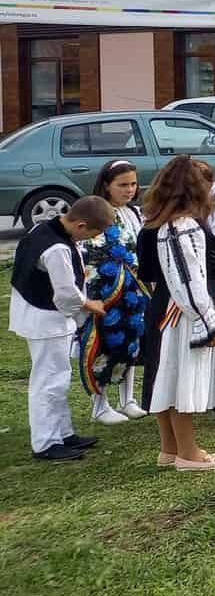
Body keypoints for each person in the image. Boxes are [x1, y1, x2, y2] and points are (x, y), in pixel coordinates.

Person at [141, 156, 215, 471]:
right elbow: (188, 278)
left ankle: (170, 447)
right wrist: (206, 320)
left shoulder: (161, 221)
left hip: (166, 305)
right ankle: (188, 453)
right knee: (181, 379)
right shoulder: (183, 226)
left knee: (166, 375)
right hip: (182, 312)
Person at [9, 195, 113, 462]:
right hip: (46, 319)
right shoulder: (57, 249)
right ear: (80, 225)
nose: (91, 239)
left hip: (37, 312)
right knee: (49, 380)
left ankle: (63, 432)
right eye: (93, 233)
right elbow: (66, 294)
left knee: (59, 375)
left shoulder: (44, 227)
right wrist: (91, 304)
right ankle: (45, 442)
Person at [87, 160, 147, 424]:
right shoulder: (98, 213)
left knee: (132, 340)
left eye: (133, 184)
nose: (130, 190)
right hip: (108, 290)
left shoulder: (134, 213)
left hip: (134, 288)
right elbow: (91, 254)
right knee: (106, 342)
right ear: (106, 185)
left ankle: (128, 399)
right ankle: (100, 403)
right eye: (123, 185)